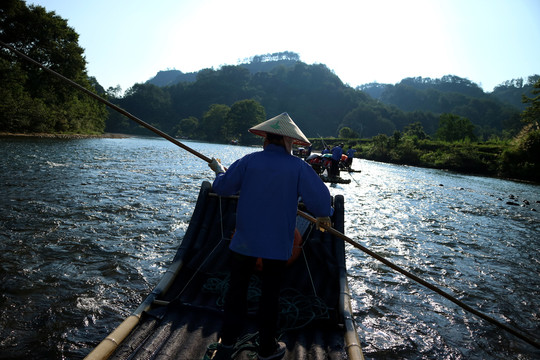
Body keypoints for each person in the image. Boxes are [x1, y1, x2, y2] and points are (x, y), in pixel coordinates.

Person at [208, 112, 333, 360]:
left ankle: (226, 344)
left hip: (243, 243)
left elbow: (222, 187)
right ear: (289, 142)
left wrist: (219, 170)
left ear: (265, 140)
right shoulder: (299, 167)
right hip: (277, 247)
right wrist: (325, 214)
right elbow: (321, 203)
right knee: (270, 297)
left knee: (236, 294)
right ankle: (266, 349)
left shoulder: (248, 161)